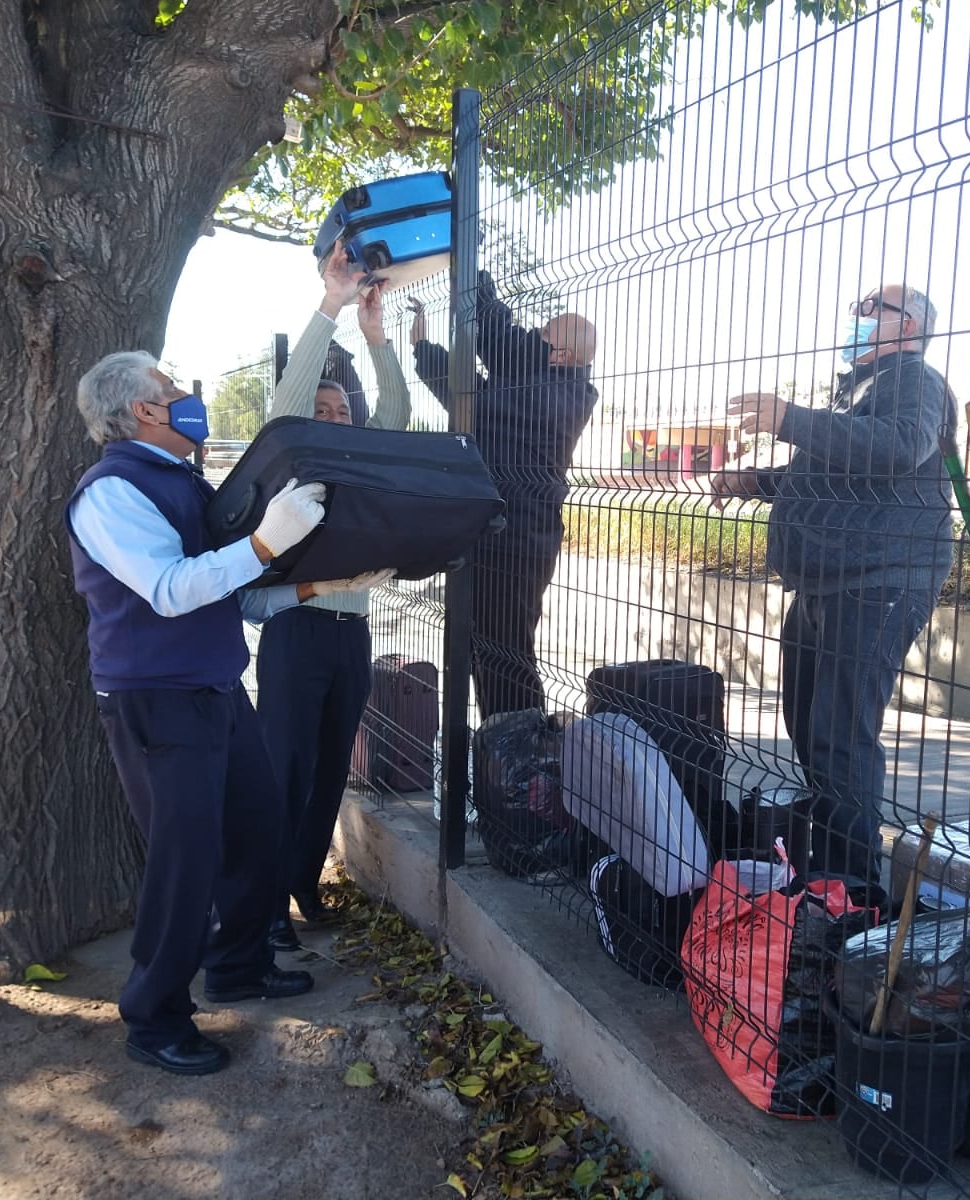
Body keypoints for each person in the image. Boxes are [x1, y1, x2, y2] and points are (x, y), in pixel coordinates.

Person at [65, 351, 386, 1076]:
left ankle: (237, 967)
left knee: (256, 827)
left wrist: (322, 585)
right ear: (142, 411)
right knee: (185, 862)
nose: (187, 398)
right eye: (171, 389)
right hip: (156, 700)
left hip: (213, 689)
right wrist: (265, 541)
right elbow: (173, 590)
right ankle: (154, 1019)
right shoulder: (109, 493)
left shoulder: (179, 482)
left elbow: (236, 599)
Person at [722, 284, 957, 886]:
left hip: (879, 580)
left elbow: (902, 447)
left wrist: (792, 420)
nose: (860, 314)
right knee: (808, 725)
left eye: (877, 306)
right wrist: (761, 483)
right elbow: (840, 476)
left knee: (841, 738)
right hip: (827, 582)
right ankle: (825, 868)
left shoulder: (915, 379)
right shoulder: (860, 390)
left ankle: (851, 889)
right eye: (859, 305)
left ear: (910, 328)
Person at [255, 253, 411, 951]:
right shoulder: (296, 456)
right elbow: (288, 406)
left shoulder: (363, 457)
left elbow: (398, 411)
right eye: (321, 410)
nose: (330, 414)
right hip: (294, 632)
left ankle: (301, 886)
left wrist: (376, 339)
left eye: (340, 408)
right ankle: (262, 909)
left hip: (350, 639)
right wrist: (331, 307)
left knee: (326, 771)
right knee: (283, 768)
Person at [411, 273, 598, 717]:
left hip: (516, 544)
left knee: (504, 654)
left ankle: (521, 756)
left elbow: (497, 344)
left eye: (543, 334)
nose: (532, 334)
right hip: (502, 536)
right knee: (488, 648)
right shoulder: (533, 387)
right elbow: (467, 396)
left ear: (561, 355)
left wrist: (473, 275)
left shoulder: (558, 396)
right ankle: (504, 751)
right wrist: (424, 350)